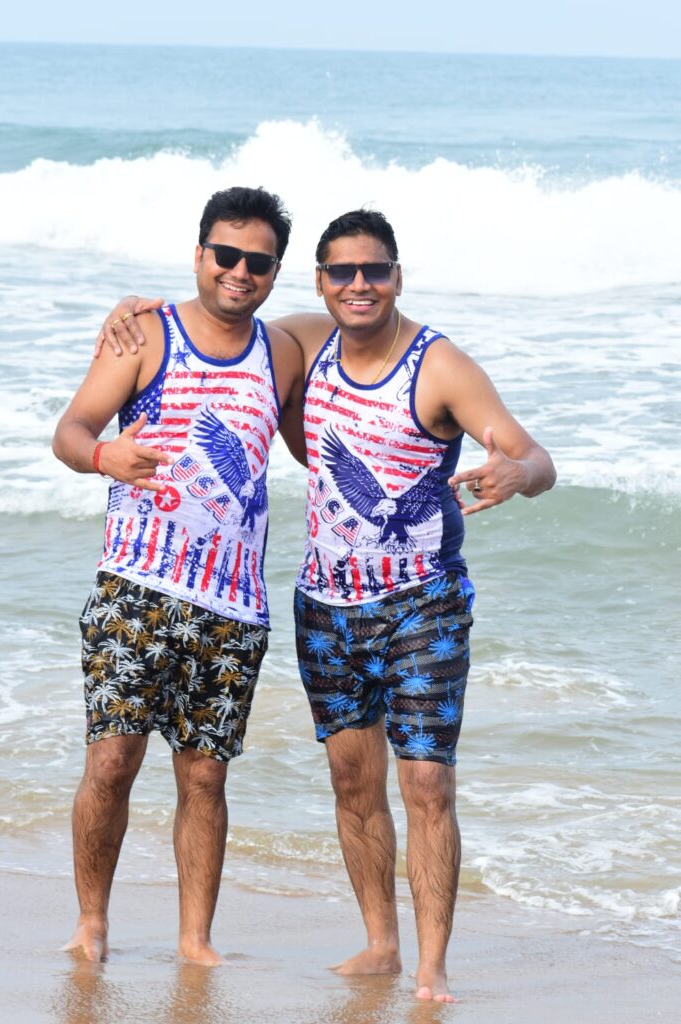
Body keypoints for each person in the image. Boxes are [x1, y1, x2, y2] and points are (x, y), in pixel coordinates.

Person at [98, 208, 556, 1000]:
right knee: (352, 780)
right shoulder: (304, 340)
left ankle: (432, 966)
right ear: (318, 281)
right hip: (326, 606)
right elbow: (220, 313)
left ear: (397, 277)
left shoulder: (438, 363)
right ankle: (380, 943)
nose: (358, 285)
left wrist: (517, 474)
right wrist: (138, 307)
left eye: (373, 271)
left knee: (425, 785)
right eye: (341, 272)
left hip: (422, 604)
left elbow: (530, 453)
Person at [52, 186, 305, 965]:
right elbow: (70, 430)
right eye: (225, 255)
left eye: (257, 261)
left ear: (274, 271)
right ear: (198, 255)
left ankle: (195, 940)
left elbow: (365, 328)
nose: (238, 271)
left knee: (204, 779)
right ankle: (92, 923)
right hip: (136, 587)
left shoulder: (285, 351)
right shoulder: (144, 337)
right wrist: (104, 456)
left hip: (233, 604)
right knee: (112, 760)